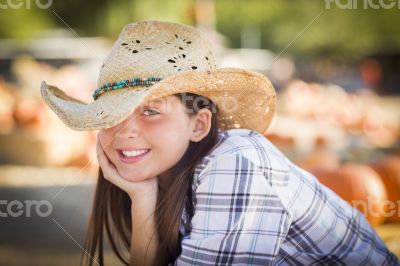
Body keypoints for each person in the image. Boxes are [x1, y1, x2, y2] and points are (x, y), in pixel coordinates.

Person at [40, 20, 399, 266]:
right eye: (112, 115)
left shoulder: (236, 161)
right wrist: (143, 198)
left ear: (199, 125)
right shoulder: (163, 179)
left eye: (149, 111)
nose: (124, 131)